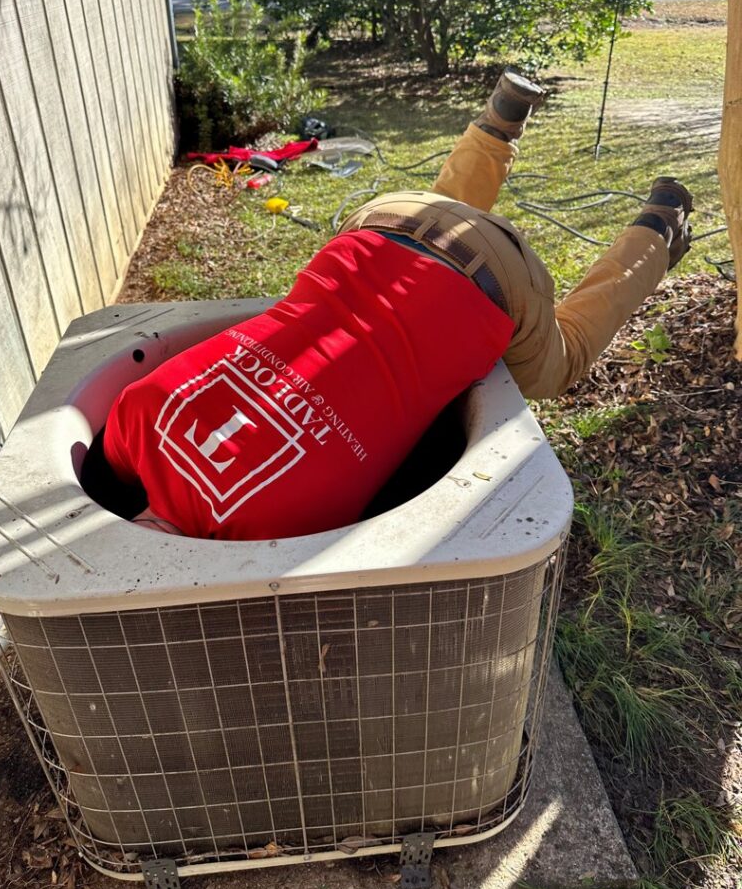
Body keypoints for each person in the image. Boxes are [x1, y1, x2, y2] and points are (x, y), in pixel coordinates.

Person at [83, 70, 693, 540]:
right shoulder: (133, 416)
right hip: (385, 221)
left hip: (496, 282)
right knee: (431, 232)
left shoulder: (262, 538)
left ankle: (661, 230)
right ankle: (497, 122)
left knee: (565, 360)